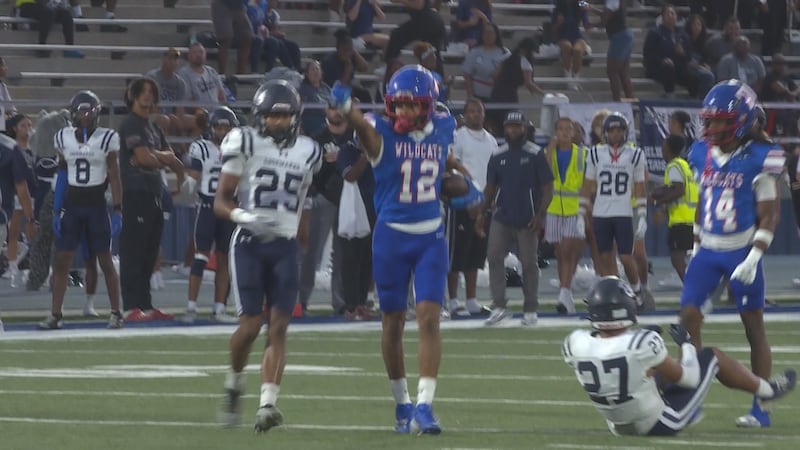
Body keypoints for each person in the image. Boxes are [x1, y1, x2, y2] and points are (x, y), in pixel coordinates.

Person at [329, 64, 475, 435]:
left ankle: (425, 405)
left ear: (428, 106)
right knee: (392, 322)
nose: (405, 112)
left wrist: (457, 178)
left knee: (429, 317)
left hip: (430, 237)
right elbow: (363, 127)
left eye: (413, 105)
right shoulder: (380, 134)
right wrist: (348, 110)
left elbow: (440, 159)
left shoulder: (443, 128)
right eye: (400, 105)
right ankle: (401, 402)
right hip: (392, 237)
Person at [563, 276, 797, 437]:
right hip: (661, 423)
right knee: (711, 355)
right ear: (625, 307)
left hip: (618, 425)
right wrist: (685, 344)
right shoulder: (643, 343)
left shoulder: (575, 342)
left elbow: (613, 354)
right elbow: (689, 378)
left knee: (648, 367)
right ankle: (767, 391)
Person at [215, 79, 321, 432]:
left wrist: (301, 239)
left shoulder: (308, 150)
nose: (278, 123)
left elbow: (304, 198)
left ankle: (267, 404)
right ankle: (234, 382)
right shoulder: (244, 141)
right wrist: (245, 217)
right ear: (260, 117)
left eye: (284, 116)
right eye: (272, 117)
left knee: (279, 327)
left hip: (285, 245)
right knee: (249, 327)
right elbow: (222, 200)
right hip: (249, 242)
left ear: (295, 116)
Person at [680, 79, 786, 428]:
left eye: (719, 120)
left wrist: (754, 257)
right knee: (688, 322)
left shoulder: (761, 157)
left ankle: (761, 407)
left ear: (740, 119)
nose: (710, 127)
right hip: (708, 250)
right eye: (708, 120)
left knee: (753, 328)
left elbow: (770, 214)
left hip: (741, 250)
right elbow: (701, 202)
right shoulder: (699, 152)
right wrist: (695, 244)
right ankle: (691, 399)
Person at [39, 91, 123, 330]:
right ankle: (56, 314)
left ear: (96, 112)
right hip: (73, 206)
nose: (84, 116)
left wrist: (118, 209)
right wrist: (57, 210)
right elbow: (63, 173)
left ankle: (116, 312)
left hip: (96, 205)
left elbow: (115, 176)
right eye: (80, 112)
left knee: (105, 261)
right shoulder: (63, 137)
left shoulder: (107, 138)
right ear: (73, 114)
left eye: (89, 111)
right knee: (62, 260)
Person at [118, 77, 187, 322]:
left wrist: (159, 159)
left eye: (151, 92)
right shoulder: (130, 125)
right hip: (135, 192)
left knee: (149, 252)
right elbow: (145, 159)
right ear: (133, 96)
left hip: (154, 192)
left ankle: (145, 304)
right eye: (143, 92)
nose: (147, 96)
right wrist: (161, 159)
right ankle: (130, 306)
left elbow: (172, 159)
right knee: (134, 251)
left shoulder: (154, 128)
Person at [478, 110, 554, 327]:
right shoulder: (498, 154)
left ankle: (530, 307)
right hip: (502, 215)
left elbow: (548, 188)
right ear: (505, 129)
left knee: (529, 263)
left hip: (528, 217)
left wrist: (541, 215)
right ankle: (499, 306)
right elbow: (490, 189)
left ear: (525, 128)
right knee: (493, 257)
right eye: (510, 126)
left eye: (517, 126)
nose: (513, 130)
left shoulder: (535, 153)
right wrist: (482, 214)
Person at [578, 112, 649, 310]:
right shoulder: (594, 153)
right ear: (605, 133)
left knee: (626, 257)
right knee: (605, 257)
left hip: (623, 211)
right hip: (601, 212)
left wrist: (643, 215)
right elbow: (587, 184)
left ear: (625, 132)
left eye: (619, 130)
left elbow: (640, 185)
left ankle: (636, 292)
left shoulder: (635, 154)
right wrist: (581, 213)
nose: (616, 134)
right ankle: (615, 295)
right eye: (612, 130)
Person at [179, 106, 238, 324]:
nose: (221, 131)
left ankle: (219, 308)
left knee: (224, 259)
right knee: (200, 256)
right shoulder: (201, 148)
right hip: (207, 207)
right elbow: (194, 177)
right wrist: (184, 184)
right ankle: (191, 307)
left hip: (228, 208)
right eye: (218, 126)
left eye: (225, 127)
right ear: (211, 128)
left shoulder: (239, 148)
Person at [650, 134, 697, 283]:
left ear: (669, 149)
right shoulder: (682, 164)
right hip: (691, 217)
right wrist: (657, 192)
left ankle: (691, 288)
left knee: (677, 258)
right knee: (683, 257)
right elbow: (673, 187)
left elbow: (679, 190)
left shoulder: (672, 166)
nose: (662, 149)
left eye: (664, 146)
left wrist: (660, 205)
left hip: (681, 219)